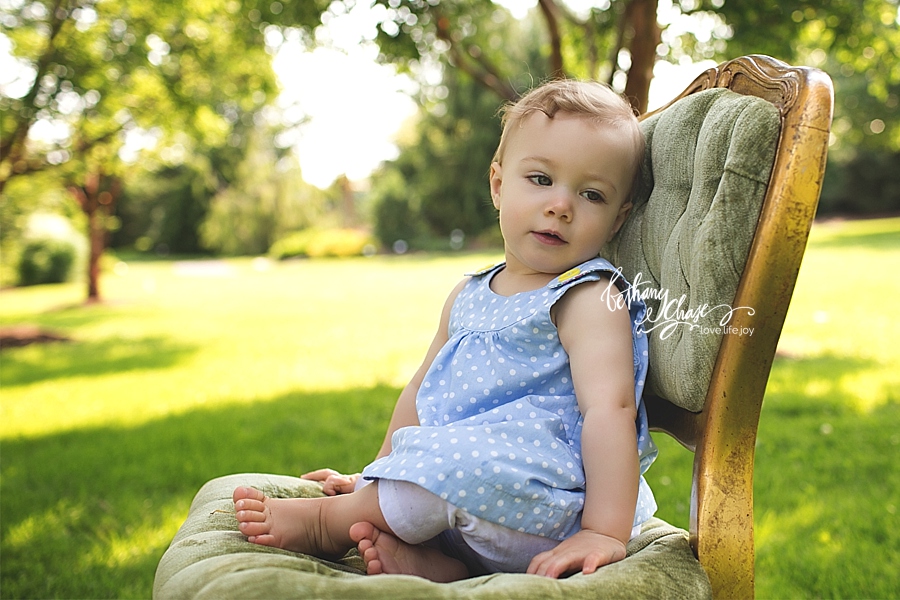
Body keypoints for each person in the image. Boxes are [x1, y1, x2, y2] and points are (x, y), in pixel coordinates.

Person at [233, 78, 657, 581]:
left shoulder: (587, 298)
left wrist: (602, 531)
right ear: (499, 185)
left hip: (548, 510)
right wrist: (380, 473)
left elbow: (611, 411)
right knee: (442, 467)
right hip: (474, 495)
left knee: (449, 469)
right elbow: (420, 390)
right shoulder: (470, 294)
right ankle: (443, 567)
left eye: (591, 194)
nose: (561, 205)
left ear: (617, 218)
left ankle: (328, 524)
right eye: (541, 180)